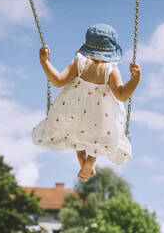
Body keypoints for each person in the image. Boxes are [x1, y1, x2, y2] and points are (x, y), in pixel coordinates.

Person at [32, 24, 141, 180]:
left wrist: (44, 62)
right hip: (101, 117)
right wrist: (136, 79)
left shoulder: (80, 62)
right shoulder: (110, 69)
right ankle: (90, 160)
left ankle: (82, 161)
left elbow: (58, 80)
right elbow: (122, 95)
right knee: (94, 140)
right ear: (110, 51)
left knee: (77, 133)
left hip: (75, 111)